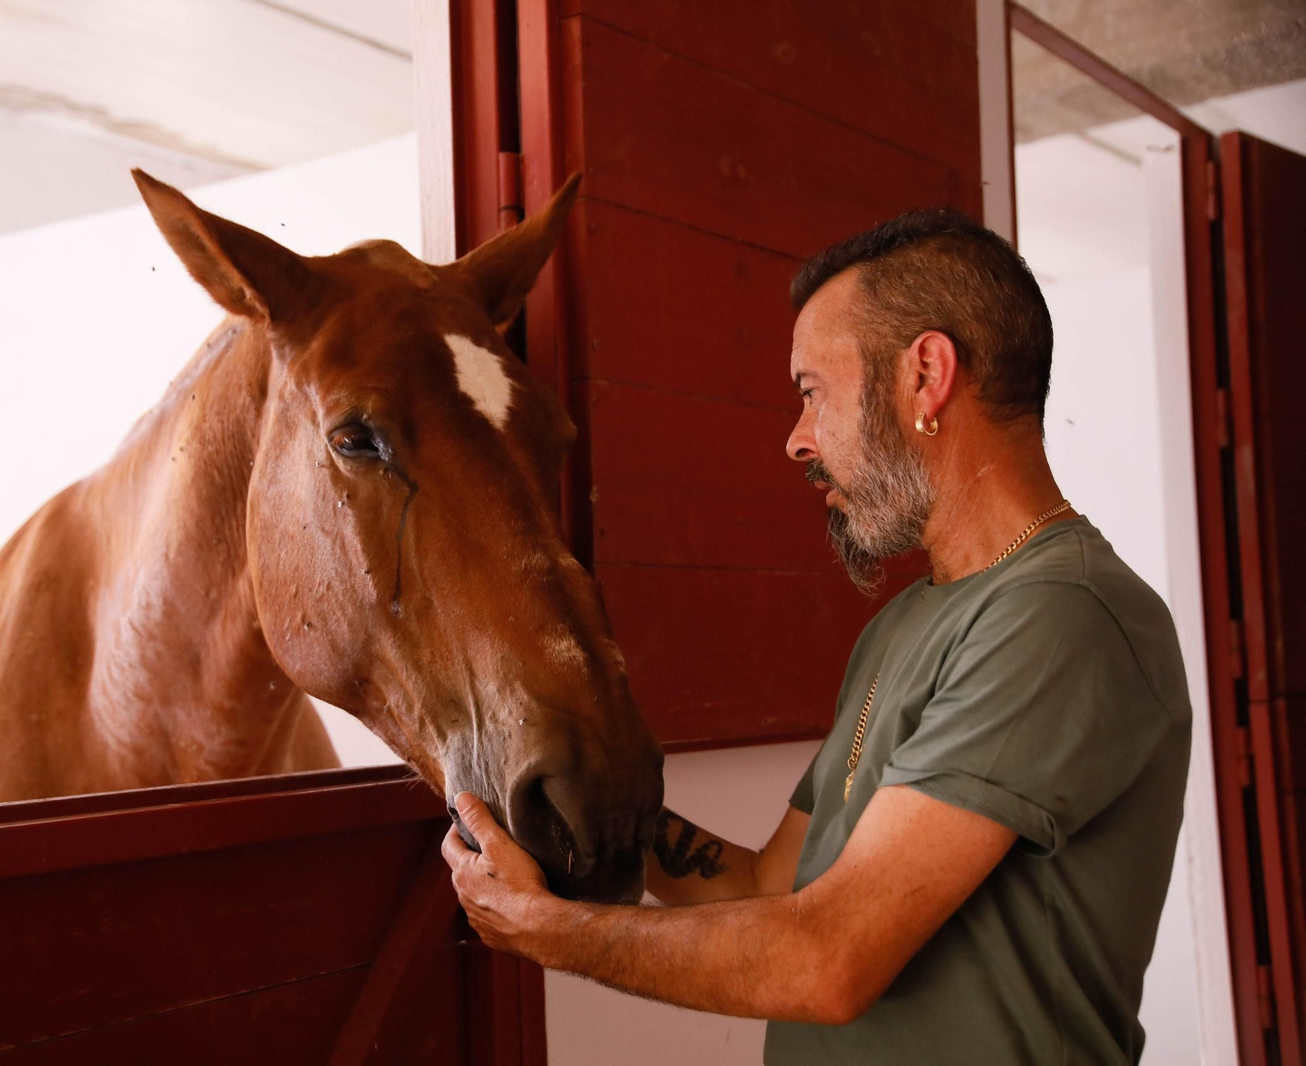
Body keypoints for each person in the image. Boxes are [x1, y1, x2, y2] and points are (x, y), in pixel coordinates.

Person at [441, 208, 1193, 1064]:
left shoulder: (1062, 616)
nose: (797, 440)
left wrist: (548, 931)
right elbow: (771, 886)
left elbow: (830, 957)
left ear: (926, 376)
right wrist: (586, 794)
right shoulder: (907, 622)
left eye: (811, 391)